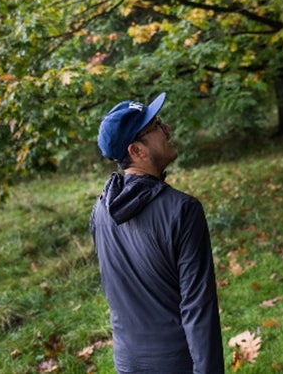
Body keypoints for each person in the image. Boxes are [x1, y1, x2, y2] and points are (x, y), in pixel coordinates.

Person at [90, 92, 224, 374]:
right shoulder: (183, 210)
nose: (167, 130)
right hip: (178, 364)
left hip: (127, 364)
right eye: (156, 127)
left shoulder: (99, 212)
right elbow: (198, 309)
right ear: (136, 151)